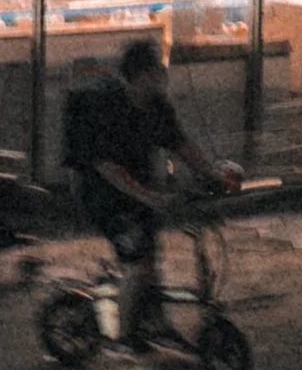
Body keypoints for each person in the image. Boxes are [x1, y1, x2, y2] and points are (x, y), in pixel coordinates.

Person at [61, 33, 238, 346]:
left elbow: (181, 144)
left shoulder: (156, 106)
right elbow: (106, 167)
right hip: (102, 197)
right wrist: (150, 197)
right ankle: (124, 338)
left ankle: (155, 324)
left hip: (141, 193)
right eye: (158, 69)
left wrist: (211, 175)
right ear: (142, 74)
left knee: (153, 258)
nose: (163, 75)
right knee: (138, 263)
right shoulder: (107, 108)